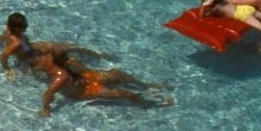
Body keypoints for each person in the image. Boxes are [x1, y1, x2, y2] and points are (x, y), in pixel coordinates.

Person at [33, 48, 170, 116]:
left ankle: (146, 85)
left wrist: (98, 55)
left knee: (117, 73)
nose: (70, 58)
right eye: (67, 58)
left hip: (85, 76)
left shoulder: (48, 57)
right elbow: (48, 93)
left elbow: (36, 63)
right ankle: (149, 104)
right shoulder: (60, 77)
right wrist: (45, 109)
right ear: (61, 61)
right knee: (123, 93)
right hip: (84, 91)